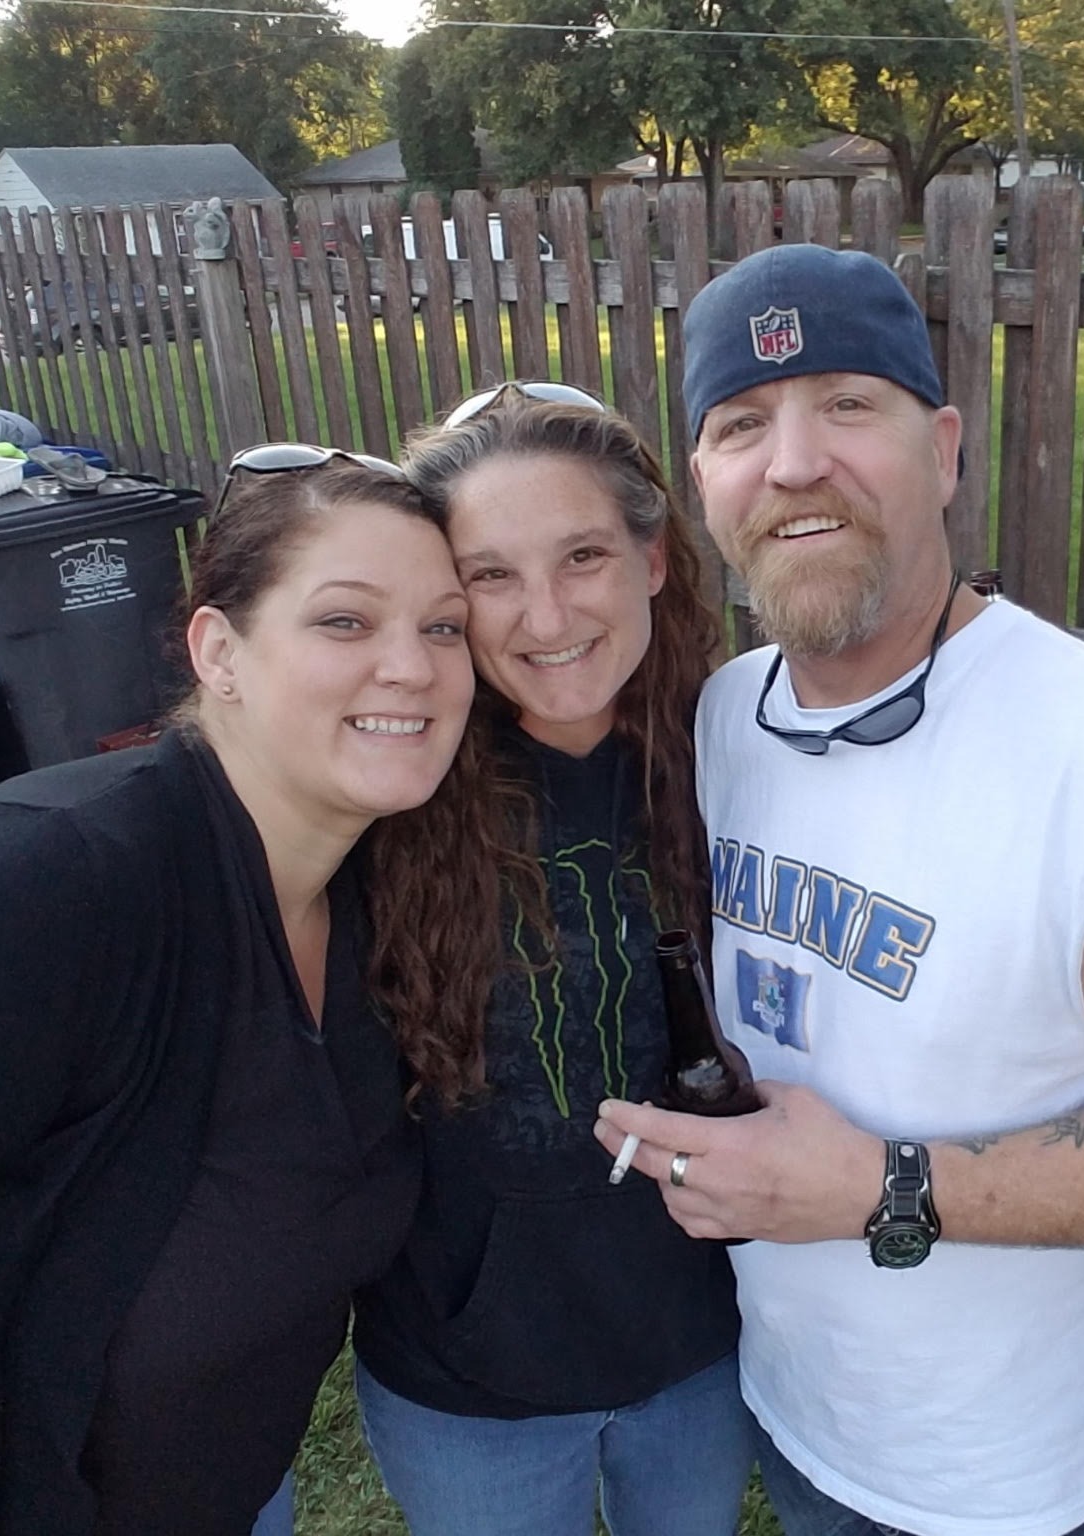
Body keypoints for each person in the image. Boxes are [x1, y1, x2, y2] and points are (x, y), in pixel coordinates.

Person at [594, 243, 1084, 1536]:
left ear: (944, 451)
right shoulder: (721, 718)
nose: (794, 463)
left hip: (1017, 1484)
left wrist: (876, 1186)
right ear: (704, 485)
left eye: (847, 404)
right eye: (741, 425)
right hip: (796, 1419)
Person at [0, 446, 479, 1535]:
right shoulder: (52, 883)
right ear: (218, 651)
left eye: (444, 627)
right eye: (345, 621)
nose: (411, 667)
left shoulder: (367, 894)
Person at [351, 382, 754, 1536]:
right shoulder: (388, 786)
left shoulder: (742, 756)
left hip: (700, 1347)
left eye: (582, 556)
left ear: (653, 559)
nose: (544, 615)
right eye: (489, 575)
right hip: (467, 1379)